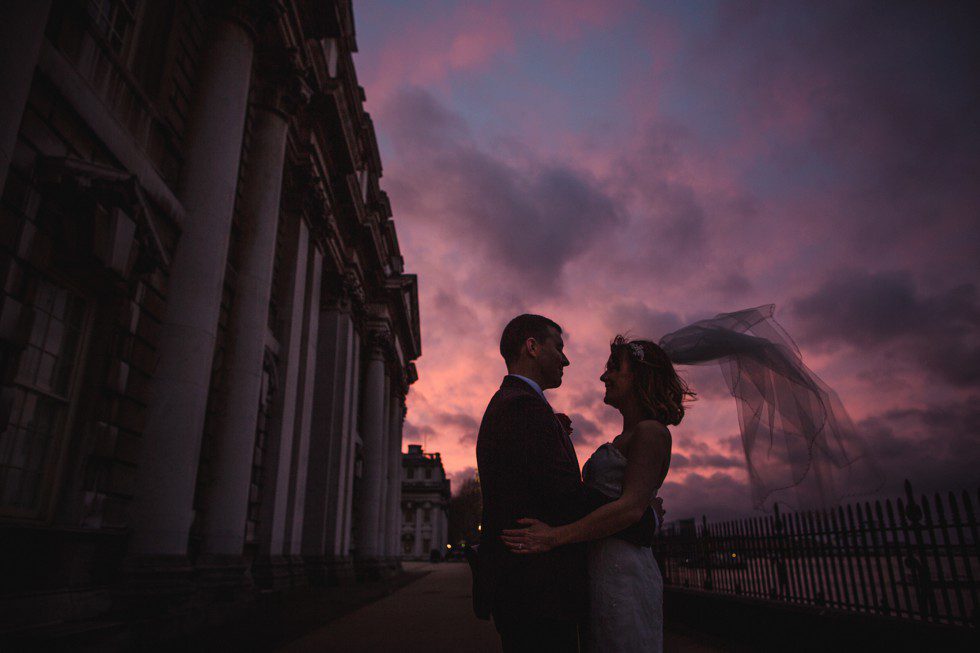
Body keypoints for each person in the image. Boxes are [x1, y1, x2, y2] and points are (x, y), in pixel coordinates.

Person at [474, 315, 663, 652]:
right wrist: (643, 518)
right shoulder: (521, 408)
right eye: (558, 347)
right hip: (535, 589)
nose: (566, 358)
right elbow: (565, 496)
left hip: (546, 585)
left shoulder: (521, 406)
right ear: (532, 347)